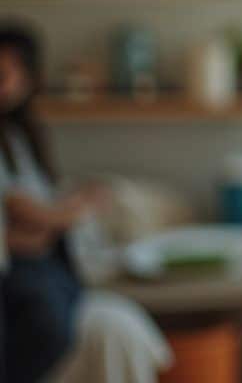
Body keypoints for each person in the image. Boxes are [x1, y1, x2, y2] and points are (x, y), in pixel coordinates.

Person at [0, 22, 171, 383]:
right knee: (45, 321)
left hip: (38, 259)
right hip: (19, 266)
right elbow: (22, 213)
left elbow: (36, 218)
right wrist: (74, 209)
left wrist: (59, 218)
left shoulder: (20, 136)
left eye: (9, 72)